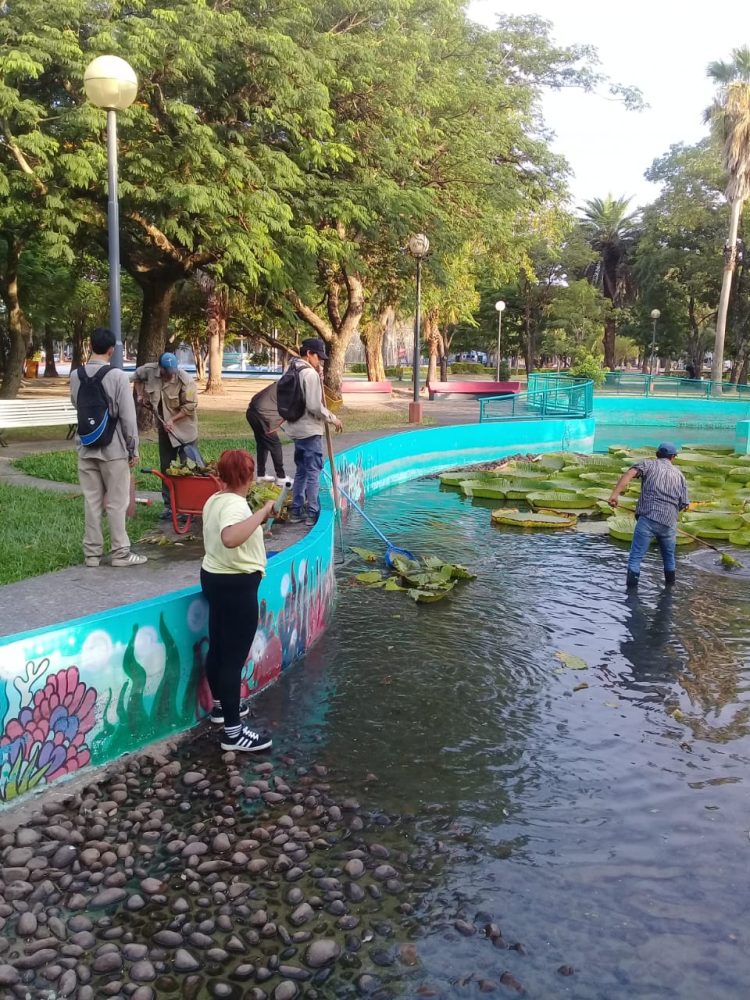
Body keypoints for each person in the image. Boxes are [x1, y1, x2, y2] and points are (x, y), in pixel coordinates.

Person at [200, 449, 276, 752]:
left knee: (218, 647)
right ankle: (234, 734)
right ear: (249, 476)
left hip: (215, 578)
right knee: (232, 659)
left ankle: (221, 708)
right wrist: (262, 513)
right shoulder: (234, 505)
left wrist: (256, 528)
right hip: (236, 587)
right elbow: (230, 537)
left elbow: (233, 539)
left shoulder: (215, 500)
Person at [70, 328, 147, 568]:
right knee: (116, 502)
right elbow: (127, 417)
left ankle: (92, 555)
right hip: (113, 450)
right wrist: (133, 448)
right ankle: (120, 553)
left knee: (91, 501)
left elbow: (76, 403)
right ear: (111, 350)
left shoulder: (75, 375)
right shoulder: (117, 376)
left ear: (90, 346)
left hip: (85, 446)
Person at [608, 442, 689, 590]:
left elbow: (630, 474)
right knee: (669, 558)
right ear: (673, 457)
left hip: (648, 519)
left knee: (636, 558)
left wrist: (615, 495)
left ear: (657, 454)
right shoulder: (680, 475)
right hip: (669, 523)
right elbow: (684, 504)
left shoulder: (648, 464)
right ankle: (670, 588)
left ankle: (631, 595)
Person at [282, 338, 342, 526]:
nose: (320, 362)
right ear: (309, 354)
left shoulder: (290, 368)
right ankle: (312, 513)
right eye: (318, 357)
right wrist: (333, 418)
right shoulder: (310, 374)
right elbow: (315, 405)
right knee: (313, 471)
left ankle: (296, 511)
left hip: (295, 430)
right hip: (309, 431)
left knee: (301, 471)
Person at [132, 352, 199, 519]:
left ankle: (187, 507)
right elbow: (136, 377)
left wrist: (173, 420)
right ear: (160, 368)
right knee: (166, 468)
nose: (171, 375)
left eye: (173, 372)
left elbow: (190, 406)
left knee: (187, 469)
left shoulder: (185, 380)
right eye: (167, 372)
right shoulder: (148, 371)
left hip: (185, 431)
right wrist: (139, 394)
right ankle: (169, 507)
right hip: (164, 431)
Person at [245, 381, 290, 485]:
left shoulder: (283, 383)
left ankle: (261, 475)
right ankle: (281, 477)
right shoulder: (292, 388)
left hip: (252, 412)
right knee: (275, 445)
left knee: (262, 445)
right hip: (263, 417)